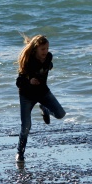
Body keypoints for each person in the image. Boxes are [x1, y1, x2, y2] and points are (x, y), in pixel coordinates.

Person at [15, 34, 65, 162]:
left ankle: (45, 108)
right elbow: (19, 82)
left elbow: (48, 65)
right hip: (27, 95)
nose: (45, 51)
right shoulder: (28, 61)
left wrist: (49, 66)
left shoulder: (48, 57)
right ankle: (20, 153)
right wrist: (30, 81)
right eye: (43, 49)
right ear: (36, 49)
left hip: (43, 92)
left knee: (60, 114)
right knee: (26, 127)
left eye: (47, 48)